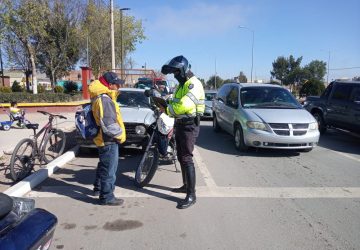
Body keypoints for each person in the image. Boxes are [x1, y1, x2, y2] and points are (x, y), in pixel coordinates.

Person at [161, 55, 205, 209]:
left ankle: (191, 195)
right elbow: (175, 100)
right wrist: (165, 101)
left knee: (187, 158)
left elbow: (184, 105)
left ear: (183, 70)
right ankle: (185, 185)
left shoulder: (194, 84)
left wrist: (166, 108)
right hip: (180, 124)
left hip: (189, 125)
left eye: (176, 72)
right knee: (180, 156)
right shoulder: (182, 85)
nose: (174, 76)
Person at [88, 72, 126, 206]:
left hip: (102, 138)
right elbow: (109, 125)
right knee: (109, 169)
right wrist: (121, 136)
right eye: (117, 84)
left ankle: (98, 189)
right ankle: (107, 197)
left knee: (104, 165)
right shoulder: (105, 99)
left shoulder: (100, 96)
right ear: (110, 85)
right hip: (108, 139)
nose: (119, 87)